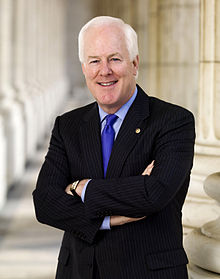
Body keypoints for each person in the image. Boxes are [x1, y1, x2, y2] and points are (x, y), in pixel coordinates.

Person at [33, 16, 195, 279]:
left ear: (134, 64)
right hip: (79, 271)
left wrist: (82, 187)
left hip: (146, 273)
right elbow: (45, 203)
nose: (104, 70)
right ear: (84, 68)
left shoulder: (173, 121)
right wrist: (109, 218)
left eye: (115, 59)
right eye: (94, 60)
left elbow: (154, 193)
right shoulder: (68, 126)